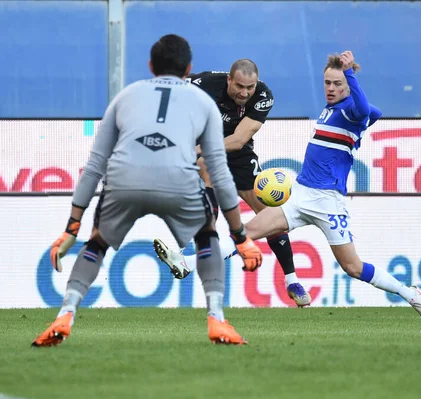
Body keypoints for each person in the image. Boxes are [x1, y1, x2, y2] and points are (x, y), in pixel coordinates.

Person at [151, 51, 421, 320]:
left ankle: (408, 293)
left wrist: (352, 79)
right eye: (327, 82)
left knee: (353, 267)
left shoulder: (352, 111)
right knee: (246, 232)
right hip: (302, 195)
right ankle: (186, 264)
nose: (330, 88)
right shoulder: (332, 109)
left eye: (337, 83)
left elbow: (365, 109)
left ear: (349, 85)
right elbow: (373, 113)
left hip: (328, 202)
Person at [31, 34, 263, 347]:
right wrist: (240, 237)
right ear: (189, 68)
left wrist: (72, 226)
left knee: (97, 242)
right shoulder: (204, 103)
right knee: (207, 234)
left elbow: (96, 164)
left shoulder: (125, 96)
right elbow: (219, 172)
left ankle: (66, 312)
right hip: (178, 181)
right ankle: (217, 319)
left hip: (124, 178)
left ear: (151, 65)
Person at [153, 60, 311, 307]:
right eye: (239, 86)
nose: (245, 93)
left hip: (238, 154)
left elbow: (238, 140)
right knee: (207, 166)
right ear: (229, 79)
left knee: (270, 216)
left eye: (249, 87)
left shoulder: (263, 95)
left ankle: (292, 280)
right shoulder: (203, 84)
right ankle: (202, 250)